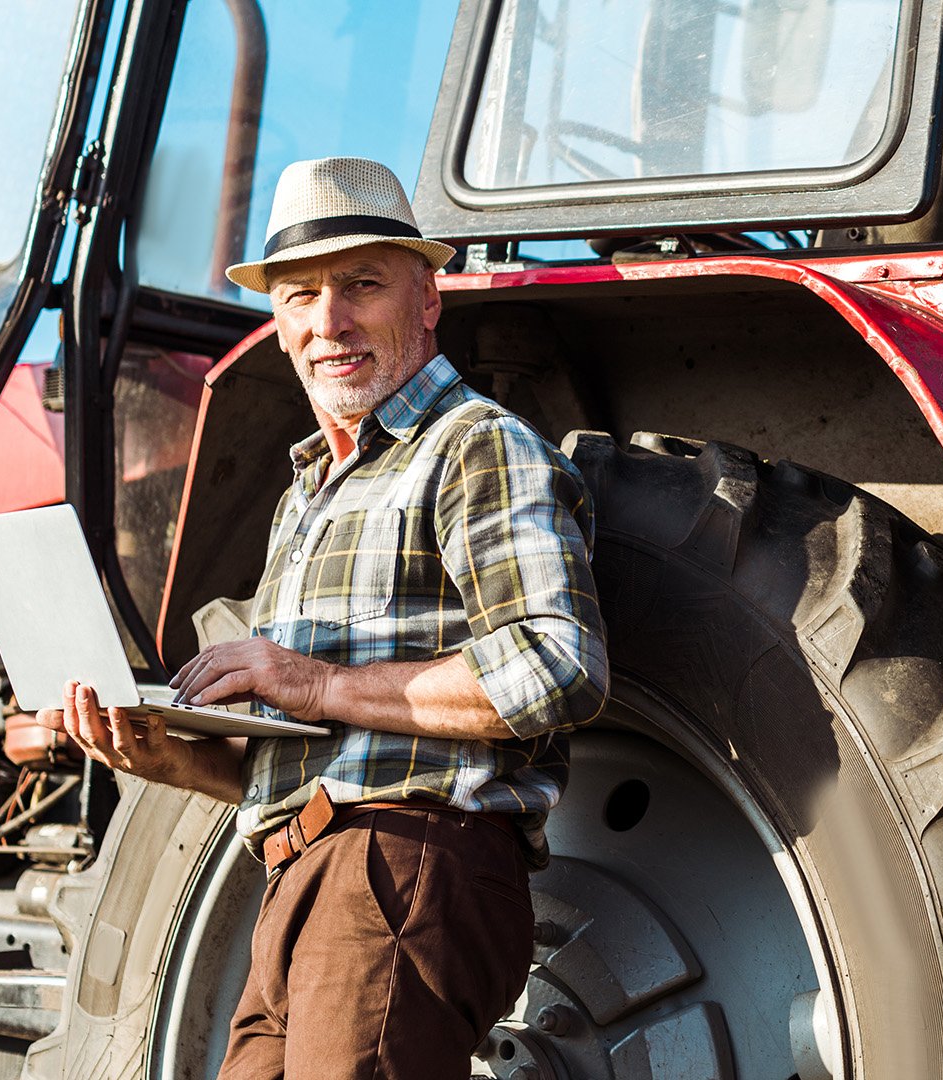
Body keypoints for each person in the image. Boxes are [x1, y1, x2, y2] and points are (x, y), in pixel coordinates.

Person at [36, 156, 608, 1079]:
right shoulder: (307, 494)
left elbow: (557, 667)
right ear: (278, 322)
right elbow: (300, 755)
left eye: (360, 285)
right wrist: (160, 756)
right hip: (299, 876)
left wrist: (310, 681)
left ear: (428, 297)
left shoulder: (477, 446)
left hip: (401, 867)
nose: (328, 321)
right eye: (300, 296)